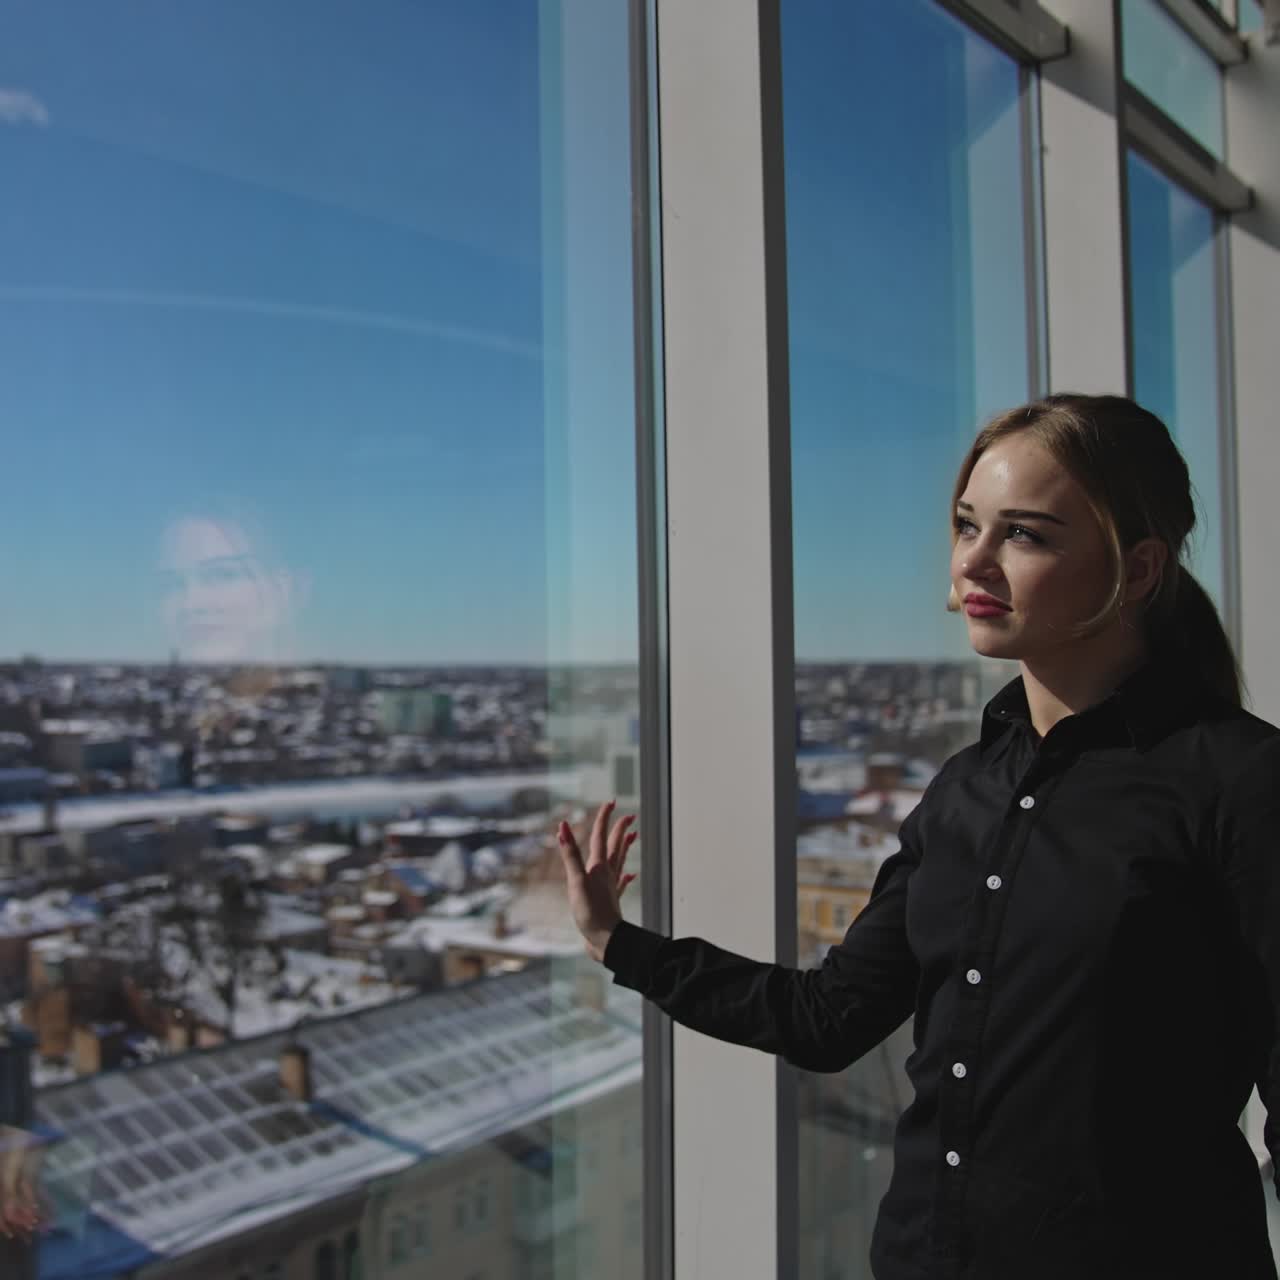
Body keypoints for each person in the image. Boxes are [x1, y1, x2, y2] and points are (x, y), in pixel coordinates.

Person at [556, 393, 1280, 1280]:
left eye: (1025, 534)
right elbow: (828, 1019)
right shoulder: (964, 793)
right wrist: (619, 943)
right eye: (967, 524)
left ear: (1137, 570)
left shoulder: (1241, 784)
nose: (973, 561)